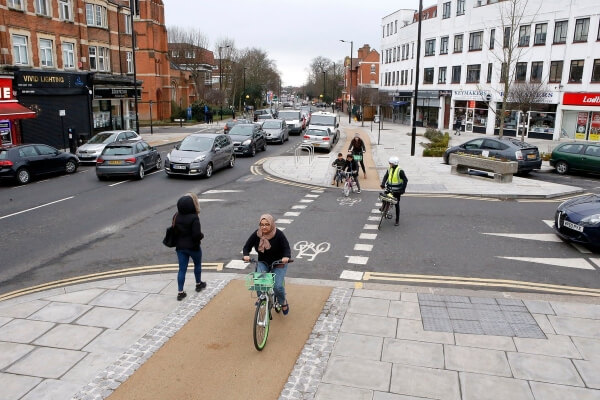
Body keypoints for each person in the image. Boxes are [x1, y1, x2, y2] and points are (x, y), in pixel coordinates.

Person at [243, 215, 291, 315]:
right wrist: (246, 255)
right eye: (262, 225)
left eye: (267, 224)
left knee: (277, 286)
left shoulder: (278, 234)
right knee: (260, 283)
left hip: (278, 263)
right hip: (263, 262)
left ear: (272, 224)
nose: (264, 227)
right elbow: (247, 247)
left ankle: (283, 302)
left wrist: (286, 257)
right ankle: (262, 299)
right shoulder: (257, 234)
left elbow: (286, 248)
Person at [173, 193, 205, 300]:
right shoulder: (194, 218)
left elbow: (175, 231)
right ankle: (198, 284)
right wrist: (202, 235)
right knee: (197, 265)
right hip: (193, 247)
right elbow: (196, 235)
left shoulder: (176, 216)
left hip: (180, 248)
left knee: (182, 269)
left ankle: (180, 292)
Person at [380, 156, 408, 226]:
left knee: (396, 205)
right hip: (389, 188)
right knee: (384, 198)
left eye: (390, 163)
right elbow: (386, 176)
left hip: (397, 191)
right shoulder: (389, 169)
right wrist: (383, 184)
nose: (389, 164)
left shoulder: (400, 171)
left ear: (394, 163)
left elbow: (405, 180)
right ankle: (383, 207)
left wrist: (402, 190)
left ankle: (397, 220)